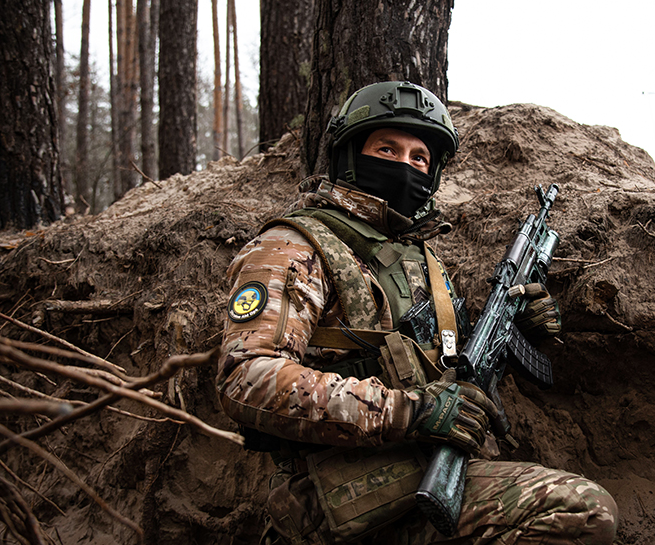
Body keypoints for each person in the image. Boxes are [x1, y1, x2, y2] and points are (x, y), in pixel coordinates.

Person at [216, 81, 617, 545]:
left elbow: (442, 370)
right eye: (387, 149)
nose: (405, 166)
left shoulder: (421, 259)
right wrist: (409, 412)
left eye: (419, 158)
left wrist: (514, 327)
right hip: (341, 499)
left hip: (419, 474)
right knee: (584, 509)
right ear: (350, 156)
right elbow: (246, 377)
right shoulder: (292, 248)